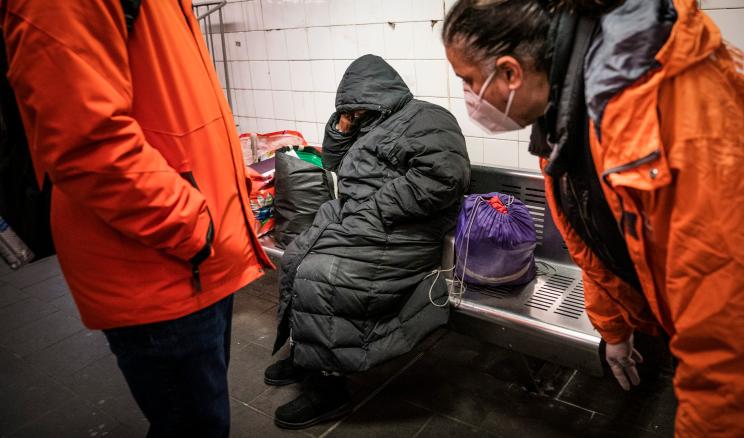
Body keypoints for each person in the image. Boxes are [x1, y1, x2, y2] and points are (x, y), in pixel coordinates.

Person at [442, 0, 744, 436]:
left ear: (510, 73)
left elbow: (723, 326)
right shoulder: (570, 111)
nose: (469, 96)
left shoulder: (657, 111)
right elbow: (590, 242)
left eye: (469, 81)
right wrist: (614, 329)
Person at [1, 1, 273, 437]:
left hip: (195, 253)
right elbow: (86, 143)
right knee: (194, 427)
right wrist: (192, 225)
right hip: (158, 262)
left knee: (202, 419)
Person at [266, 54, 471, 430]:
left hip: (404, 231)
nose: (353, 113)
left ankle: (329, 391)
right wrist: (343, 125)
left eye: (356, 106)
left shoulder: (428, 118)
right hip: (359, 222)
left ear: (378, 93)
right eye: (348, 109)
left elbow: (444, 178)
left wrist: (377, 209)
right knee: (295, 257)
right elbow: (334, 163)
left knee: (323, 276)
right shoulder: (368, 125)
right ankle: (307, 355)